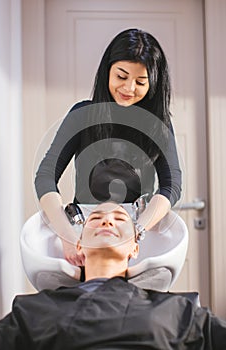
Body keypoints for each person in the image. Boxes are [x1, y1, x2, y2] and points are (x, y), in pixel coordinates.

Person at [34, 28, 182, 265]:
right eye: (121, 77)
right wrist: (67, 235)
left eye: (140, 82)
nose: (129, 89)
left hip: (133, 234)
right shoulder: (82, 115)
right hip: (88, 232)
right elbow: (45, 176)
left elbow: (171, 185)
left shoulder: (158, 125)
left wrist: (136, 232)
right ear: (107, 73)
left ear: (153, 83)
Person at [0, 202, 225, 349]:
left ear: (135, 248)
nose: (106, 220)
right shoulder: (34, 311)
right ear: (79, 245)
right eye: (95, 218)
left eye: (120, 219)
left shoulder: (178, 310)